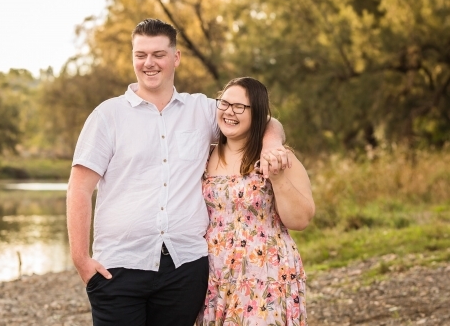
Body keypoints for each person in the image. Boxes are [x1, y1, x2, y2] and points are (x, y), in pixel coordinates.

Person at [66, 19, 288, 326]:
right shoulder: (108, 116)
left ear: (176, 58)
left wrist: (271, 145)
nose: (149, 63)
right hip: (117, 267)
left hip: (185, 267)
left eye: (158, 54)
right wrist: (81, 260)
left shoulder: (201, 110)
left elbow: (263, 119)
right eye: (140, 54)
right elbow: (79, 188)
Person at [197, 77, 315, 326]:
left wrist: (278, 177)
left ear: (258, 113)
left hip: (265, 274)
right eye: (225, 103)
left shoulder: (279, 158)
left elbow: (301, 219)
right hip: (214, 276)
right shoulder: (203, 155)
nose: (230, 112)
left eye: (240, 107)